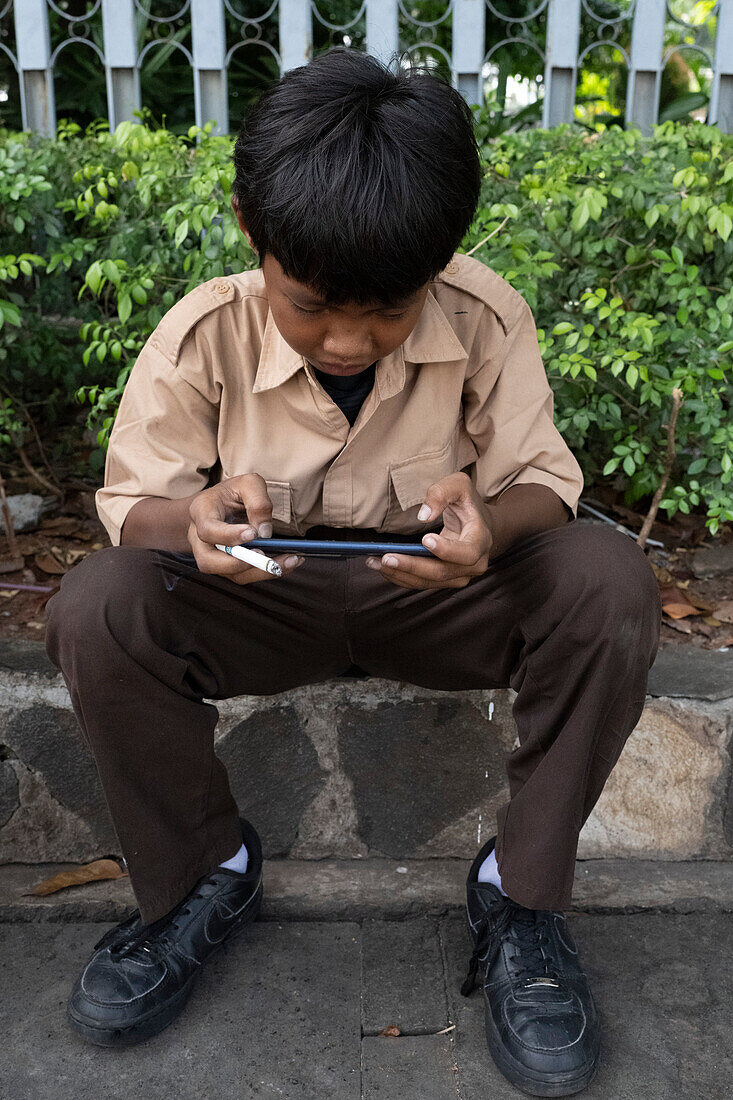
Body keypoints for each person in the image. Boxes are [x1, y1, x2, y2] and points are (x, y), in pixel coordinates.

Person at [45, 48, 661, 1095]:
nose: (346, 338)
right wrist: (186, 518)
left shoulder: (485, 313)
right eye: (315, 304)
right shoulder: (205, 328)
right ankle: (203, 877)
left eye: (387, 312)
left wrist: (490, 524)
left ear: (443, 256)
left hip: (440, 594)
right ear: (253, 227)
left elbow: (543, 484)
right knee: (98, 604)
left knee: (608, 578)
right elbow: (131, 505)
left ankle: (521, 895)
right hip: (256, 599)